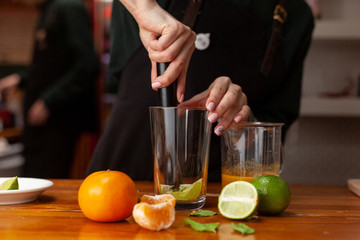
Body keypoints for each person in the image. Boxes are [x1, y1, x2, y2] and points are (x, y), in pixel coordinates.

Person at [87, 0, 314, 182]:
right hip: (117, 183)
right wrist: (145, 8)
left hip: (211, 195)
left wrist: (241, 120)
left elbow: (272, 132)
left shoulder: (295, 15)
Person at [0, 0, 99, 178]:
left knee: (47, 184)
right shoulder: (49, 9)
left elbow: (87, 65)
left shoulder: (69, 7)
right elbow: (49, 66)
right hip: (40, 125)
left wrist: (48, 101)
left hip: (57, 122)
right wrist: (19, 79)